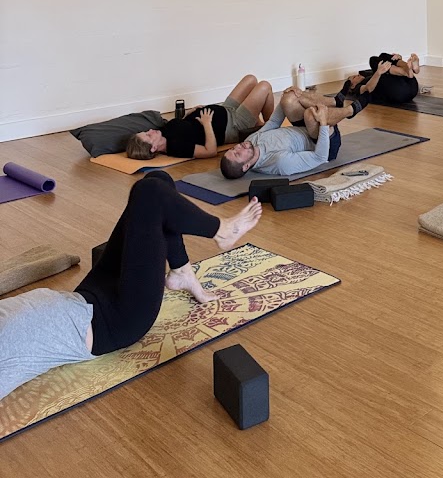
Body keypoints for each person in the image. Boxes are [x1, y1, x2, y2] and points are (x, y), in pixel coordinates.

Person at [0, 171, 262, 401]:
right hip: (116, 320)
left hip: (86, 297)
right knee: (150, 193)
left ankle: (182, 271)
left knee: (158, 180)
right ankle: (222, 232)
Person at [219, 86, 367, 179]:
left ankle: (335, 102)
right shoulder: (279, 163)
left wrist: (286, 97)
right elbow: (320, 157)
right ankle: (350, 111)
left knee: (290, 98)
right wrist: (323, 123)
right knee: (310, 115)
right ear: (246, 166)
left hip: (304, 128)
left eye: (233, 149)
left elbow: (273, 122)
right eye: (237, 154)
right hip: (324, 144)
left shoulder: (251, 141)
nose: (238, 147)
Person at [126, 74, 274, 160]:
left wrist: (190, 114)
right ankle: (271, 127)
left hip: (225, 109)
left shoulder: (164, 131)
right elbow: (210, 151)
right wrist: (207, 123)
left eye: (146, 131)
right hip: (233, 125)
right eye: (148, 135)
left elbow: (185, 127)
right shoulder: (176, 148)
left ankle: (257, 125)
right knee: (264, 86)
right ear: (153, 148)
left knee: (250, 79)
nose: (150, 130)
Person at [341, 52, 421, 105]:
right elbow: (368, 88)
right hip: (399, 92)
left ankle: (407, 68)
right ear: (352, 86)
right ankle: (407, 70)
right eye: (354, 77)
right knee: (373, 60)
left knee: (383, 56)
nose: (357, 75)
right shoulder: (357, 88)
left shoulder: (367, 74)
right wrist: (378, 72)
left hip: (412, 87)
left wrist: (397, 58)